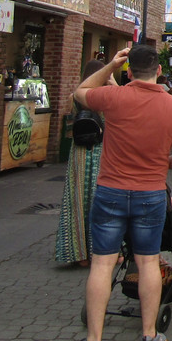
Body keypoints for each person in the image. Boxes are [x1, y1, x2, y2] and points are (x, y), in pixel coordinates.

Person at [65, 45, 172, 341]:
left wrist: (109, 65)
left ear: (128, 71)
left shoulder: (114, 98)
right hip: (150, 193)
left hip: (110, 191)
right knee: (149, 262)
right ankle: (149, 337)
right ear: (160, 71)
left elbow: (81, 91)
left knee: (102, 264)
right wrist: (165, 163)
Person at [56, 60, 110, 265]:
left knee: (78, 199)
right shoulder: (104, 98)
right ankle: (100, 250)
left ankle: (78, 252)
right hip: (101, 152)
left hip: (79, 153)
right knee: (101, 201)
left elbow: (70, 125)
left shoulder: (76, 97)